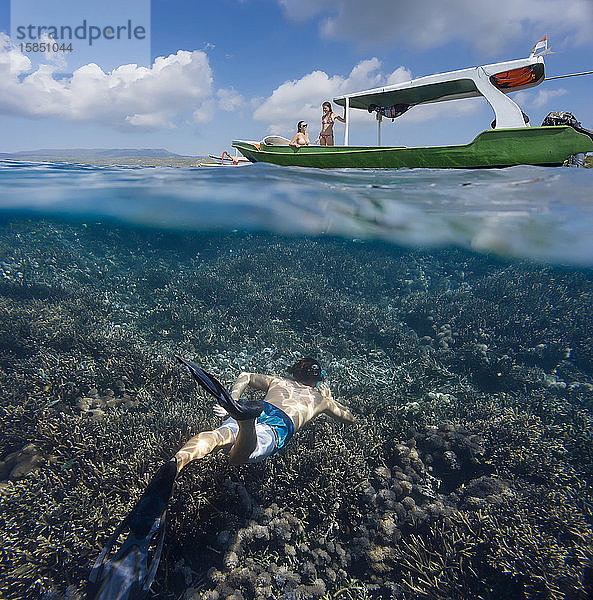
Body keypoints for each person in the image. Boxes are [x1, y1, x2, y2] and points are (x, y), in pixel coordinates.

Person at [87, 356, 355, 600]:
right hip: (279, 423)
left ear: (294, 373)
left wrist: (231, 401)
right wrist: (327, 398)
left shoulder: (278, 381)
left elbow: (246, 374)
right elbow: (349, 419)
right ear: (318, 379)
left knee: (217, 437)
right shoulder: (322, 400)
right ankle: (245, 422)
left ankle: (177, 461)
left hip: (260, 405)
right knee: (239, 457)